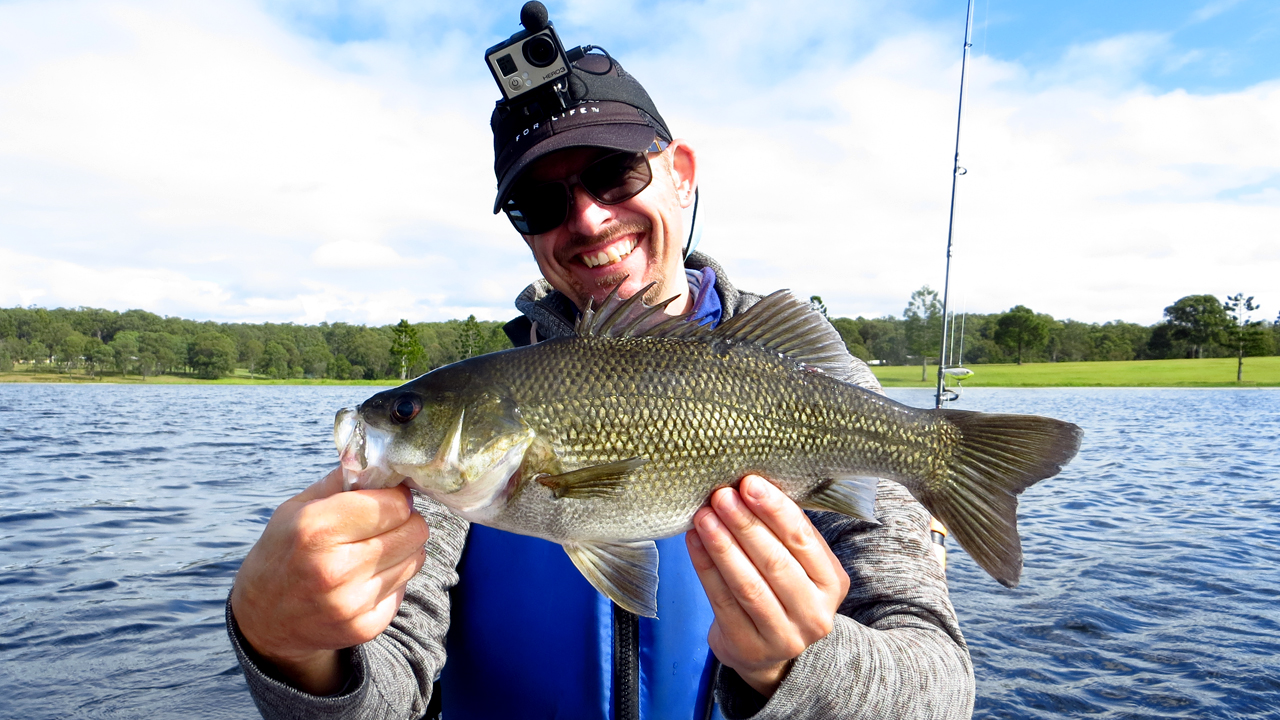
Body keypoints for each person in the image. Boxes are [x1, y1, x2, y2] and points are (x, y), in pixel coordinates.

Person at [227, 42, 976, 720]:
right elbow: (385, 696)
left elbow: (940, 689)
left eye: (616, 173)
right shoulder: (456, 449)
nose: (586, 218)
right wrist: (289, 647)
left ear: (680, 175)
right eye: (540, 202)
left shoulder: (821, 385)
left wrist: (792, 669)